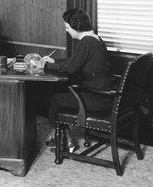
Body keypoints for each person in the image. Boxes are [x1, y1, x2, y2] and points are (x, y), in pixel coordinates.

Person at [41, 8, 115, 149]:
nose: (67, 31)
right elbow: (75, 61)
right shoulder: (95, 39)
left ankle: (59, 137)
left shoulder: (86, 41)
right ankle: (65, 137)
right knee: (62, 94)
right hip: (105, 94)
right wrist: (53, 62)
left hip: (99, 97)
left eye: (67, 27)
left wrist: (45, 65)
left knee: (56, 99)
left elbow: (70, 68)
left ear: (76, 26)